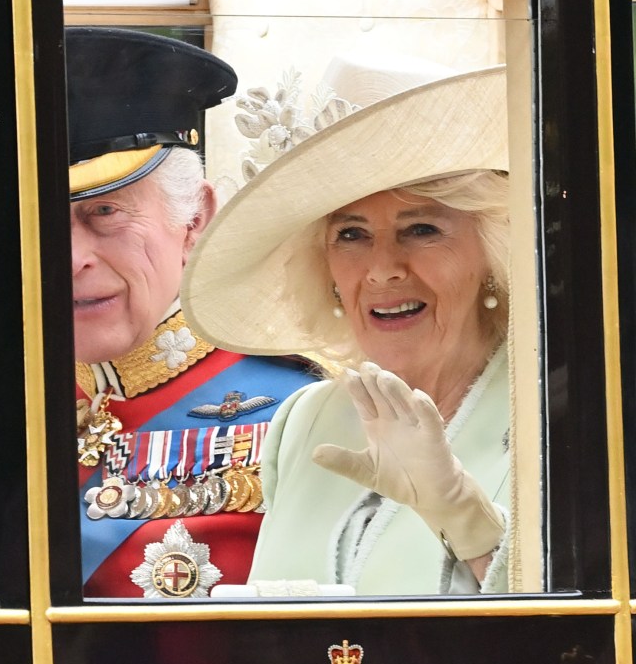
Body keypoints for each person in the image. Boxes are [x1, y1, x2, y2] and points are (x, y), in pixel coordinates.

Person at [181, 60, 511, 595]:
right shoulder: (304, 419)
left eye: (422, 229)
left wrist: (466, 518)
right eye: (351, 234)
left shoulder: (554, 416)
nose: (382, 269)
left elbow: (584, 632)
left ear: (493, 251)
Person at [68, 26, 319, 599]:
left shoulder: (301, 406)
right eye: (39, 225)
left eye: (105, 212)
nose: (73, 258)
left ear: (195, 219)